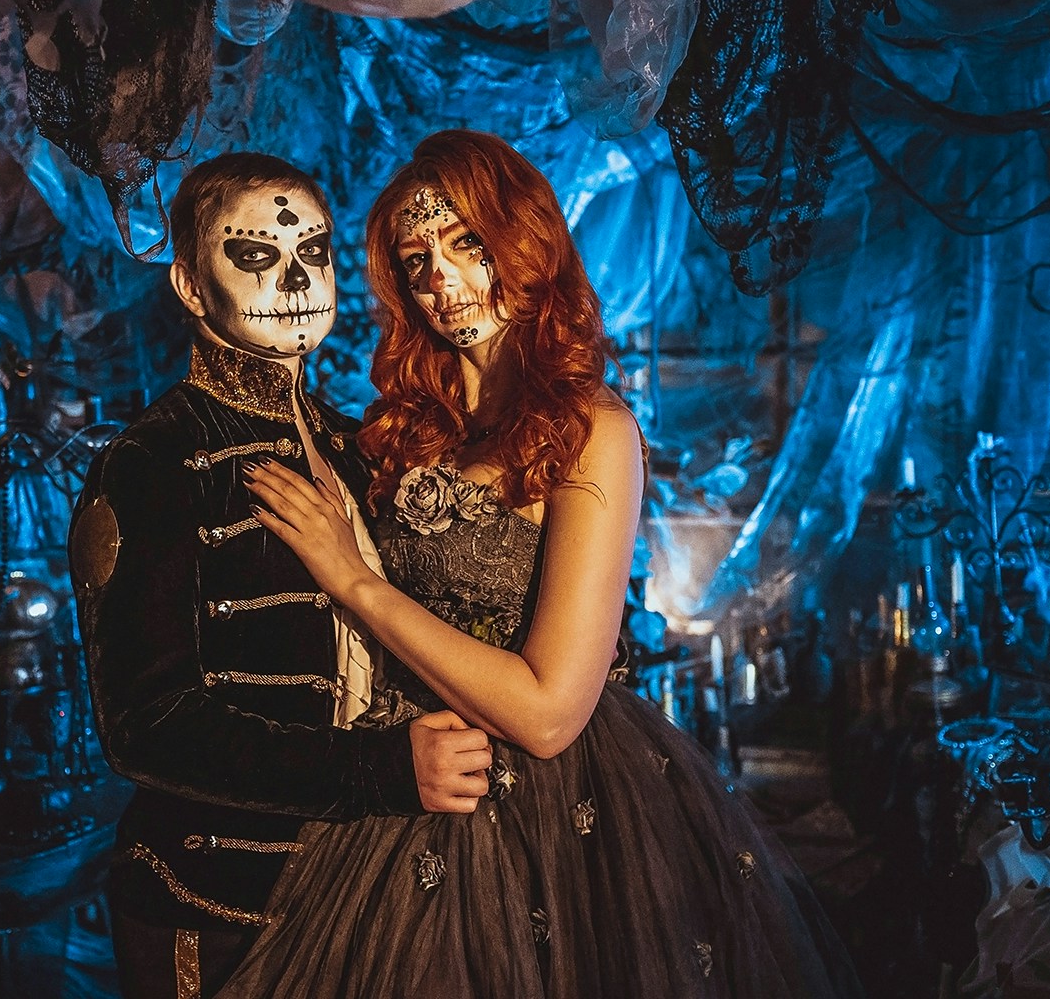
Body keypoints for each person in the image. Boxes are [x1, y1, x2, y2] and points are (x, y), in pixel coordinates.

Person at [222, 130, 863, 997]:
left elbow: (551, 712)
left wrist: (354, 581)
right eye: (416, 259)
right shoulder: (412, 430)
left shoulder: (593, 432)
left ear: (524, 244)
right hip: (409, 783)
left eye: (467, 244)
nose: (440, 278)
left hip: (558, 817)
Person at [68, 152, 494, 999]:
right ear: (192, 287)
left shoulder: (358, 445)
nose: (296, 280)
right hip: (214, 901)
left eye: (314, 254)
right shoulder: (151, 463)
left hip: (368, 883)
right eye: (255, 256)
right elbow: (144, 727)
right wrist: (380, 773)